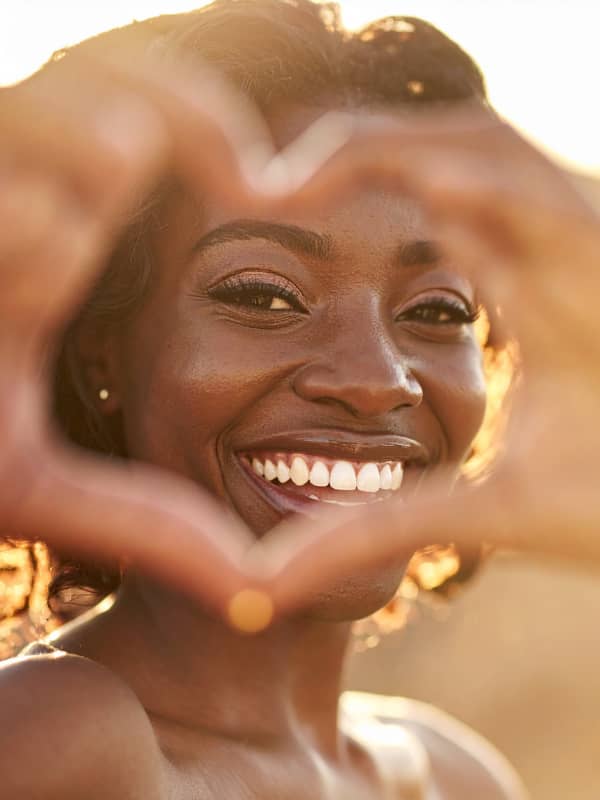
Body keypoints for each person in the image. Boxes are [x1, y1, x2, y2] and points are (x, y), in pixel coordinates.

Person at [3, 0, 596, 796]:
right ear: (98, 342)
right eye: (264, 296)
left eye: (437, 310)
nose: (378, 378)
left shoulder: (459, 776)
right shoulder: (56, 733)